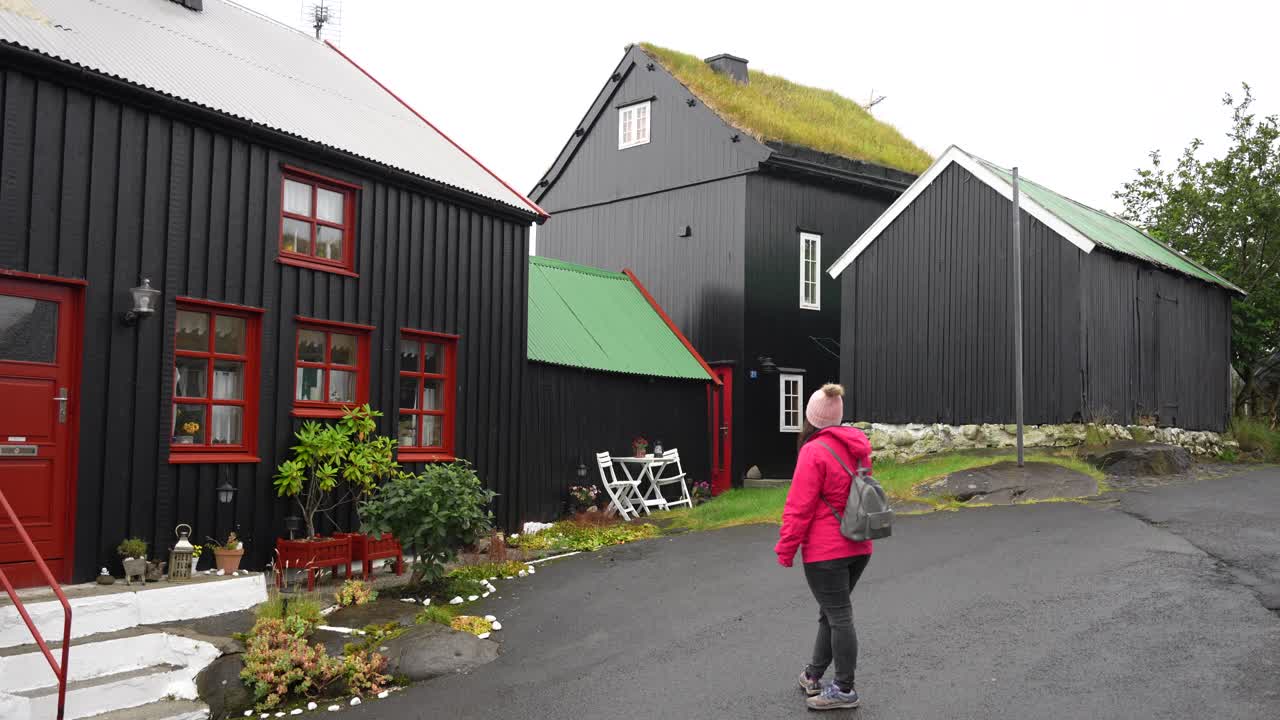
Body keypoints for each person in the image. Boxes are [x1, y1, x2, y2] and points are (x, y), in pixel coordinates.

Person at [775, 383, 873, 711]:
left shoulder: (814, 452)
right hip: (859, 544)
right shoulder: (858, 446)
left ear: (811, 418)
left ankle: (845, 689)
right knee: (831, 613)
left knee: (839, 615)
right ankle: (813, 674)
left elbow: (799, 507)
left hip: (826, 552)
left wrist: (786, 549)